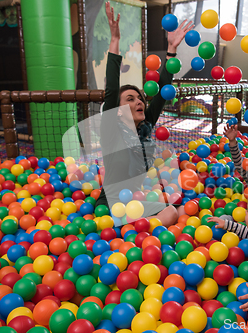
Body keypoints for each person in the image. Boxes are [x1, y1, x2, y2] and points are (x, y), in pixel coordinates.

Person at [95, 2, 192, 226]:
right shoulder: (111, 129)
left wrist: (171, 49)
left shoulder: (145, 125)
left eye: (140, 98)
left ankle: (135, 234)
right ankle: (131, 235)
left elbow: (162, 91)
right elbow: (111, 89)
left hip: (135, 202)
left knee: (173, 210)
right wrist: (115, 40)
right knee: (171, 214)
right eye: (130, 99)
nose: (139, 101)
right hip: (110, 205)